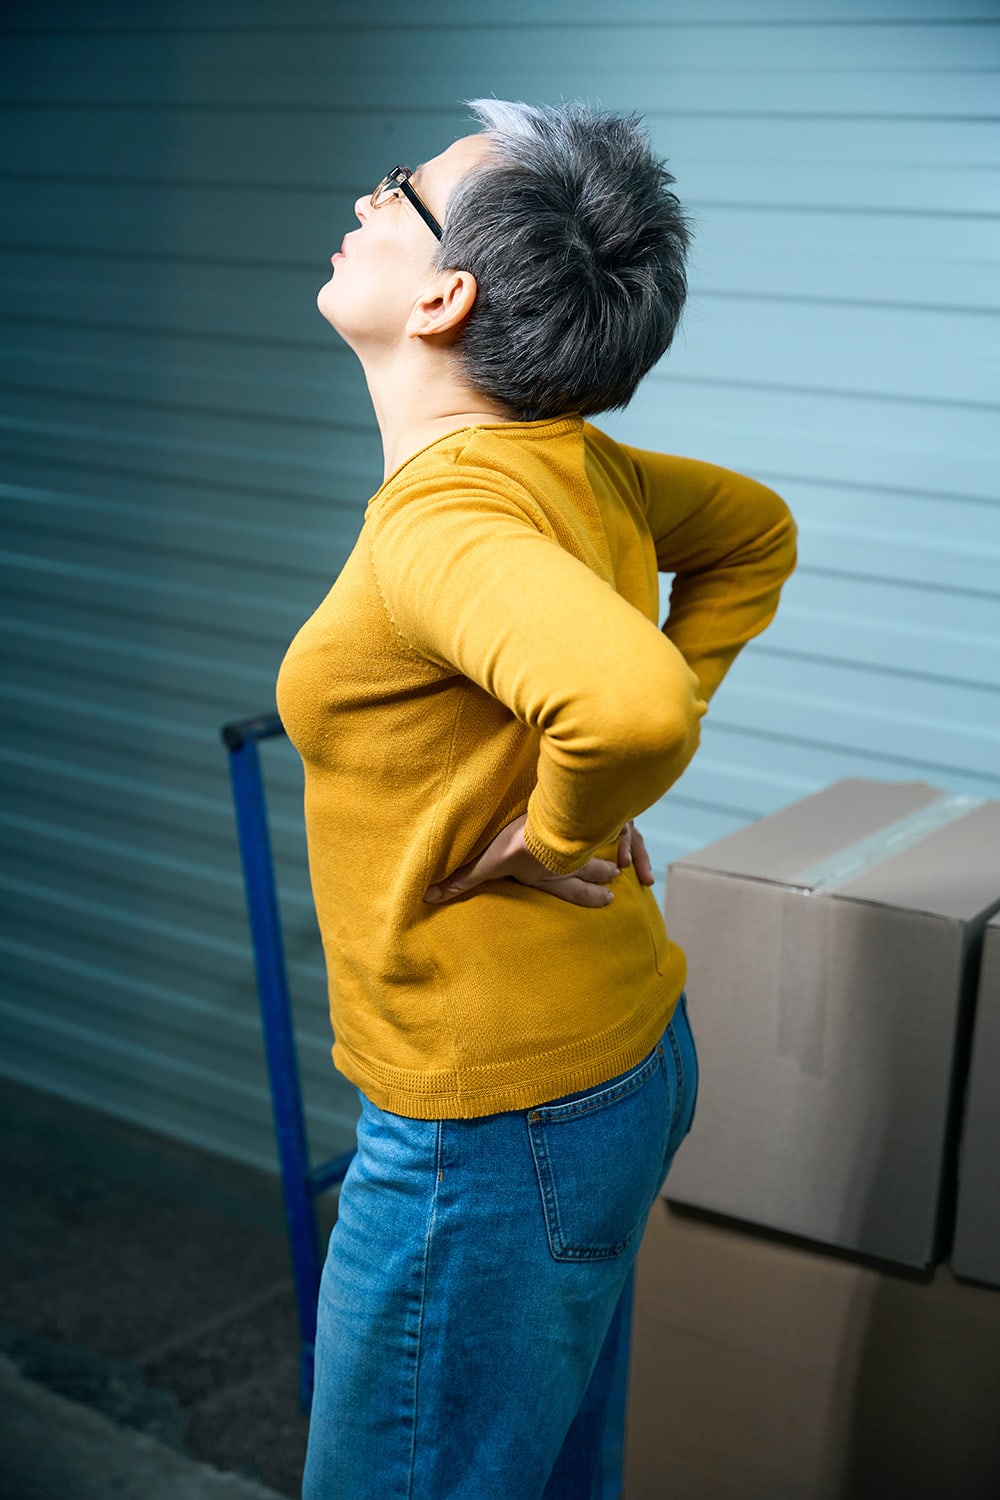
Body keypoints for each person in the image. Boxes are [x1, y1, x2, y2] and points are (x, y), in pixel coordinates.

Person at [277, 98, 796, 1500]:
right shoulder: (578, 467)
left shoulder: (446, 519)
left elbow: (619, 706)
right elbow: (756, 532)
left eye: (403, 188)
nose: (370, 195)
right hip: (608, 1067)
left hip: (493, 1128)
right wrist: (597, 774)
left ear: (446, 296)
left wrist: (565, 824)